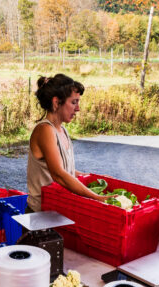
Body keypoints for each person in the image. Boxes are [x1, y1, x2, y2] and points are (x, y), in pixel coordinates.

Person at [26, 74, 109, 212]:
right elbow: (58, 174)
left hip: (57, 212)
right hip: (40, 218)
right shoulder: (45, 130)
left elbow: (64, 169)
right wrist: (97, 198)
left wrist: (89, 177)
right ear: (56, 102)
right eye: (74, 102)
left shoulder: (61, 130)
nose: (78, 109)